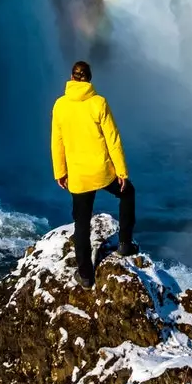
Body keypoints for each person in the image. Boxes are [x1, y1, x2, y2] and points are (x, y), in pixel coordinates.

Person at [51, 60, 136, 283]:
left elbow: (56, 142)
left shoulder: (60, 105)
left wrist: (60, 172)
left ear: (71, 78)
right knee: (127, 193)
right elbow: (113, 139)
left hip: (78, 175)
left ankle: (86, 275)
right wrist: (122, 172)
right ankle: (125, 244)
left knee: (82, 222)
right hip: (102, 171)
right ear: (89, 79)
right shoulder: (99, 103)